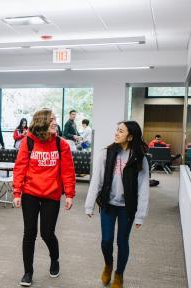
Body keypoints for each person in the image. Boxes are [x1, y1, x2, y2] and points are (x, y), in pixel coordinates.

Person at [12, 108, 76, 287]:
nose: (55, 122)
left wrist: (69, 194)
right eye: (52, 119)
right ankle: (28, 272)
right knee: (29, 233)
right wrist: (17, 192)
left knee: (47, 233)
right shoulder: (28, 142)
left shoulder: (61, 144)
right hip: (30, 193)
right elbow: (20, 168)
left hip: (52, 194)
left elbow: (68, 171)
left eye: (55, 119)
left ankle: (54, 259)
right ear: (42, 122)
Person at [85, 121, 149, 288]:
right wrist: (89, 204)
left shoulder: (139, 158)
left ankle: (119, 274)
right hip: (108, 203)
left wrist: (140, 215)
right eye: (117, 130)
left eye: (120, 131)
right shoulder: (106, 153)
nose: (116, 133)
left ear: (130, 136)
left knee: (122, 241)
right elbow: (96, 180)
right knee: (106, 240)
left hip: (127, 207)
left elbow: (143, 189)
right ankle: (108, 264)